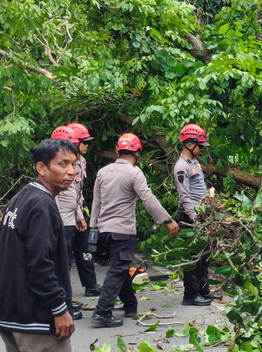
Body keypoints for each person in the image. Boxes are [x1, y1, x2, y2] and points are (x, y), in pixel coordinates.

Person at [0, 138, 77, 352]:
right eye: (63, 164)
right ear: (41, 168)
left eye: (74, 164)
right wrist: (59, 309)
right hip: (35, 320)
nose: (72, 171)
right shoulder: (42, 205)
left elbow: (6, 256)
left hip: (11, 315)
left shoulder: (21, 197)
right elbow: (40, 264)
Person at [90, 133, 180, 328]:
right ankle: (102, 312)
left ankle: (130, 305)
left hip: (104, 230)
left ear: (117, 151)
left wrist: (93, 229)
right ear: (137, 153)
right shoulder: (134, 173)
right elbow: (148, 199)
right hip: (122, 231)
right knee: (117, 269)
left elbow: (96, 202)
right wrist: (168, 220)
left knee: (119, 268)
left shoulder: (103, 172)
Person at [173, 124, 222, 306]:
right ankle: (191, 295)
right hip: (190, 215)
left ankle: (204, 290)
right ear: (189, 144)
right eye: (200, 145)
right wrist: (194, 219)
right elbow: (184, 195)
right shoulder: (181, 167)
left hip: (202, 214)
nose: (202, 149)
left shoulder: (194, 163)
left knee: (205, 256)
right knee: (193, 258)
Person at [52, 125, 101, 300]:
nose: (87, 146)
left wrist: (80, 216)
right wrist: (55, 216)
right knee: (63, 258)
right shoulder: (56, 165)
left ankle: (91, 285)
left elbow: (76, 192)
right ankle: (62, 299)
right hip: (62, 217)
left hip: (75, 212)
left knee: (84, 250)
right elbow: (54, 193)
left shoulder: (80, 162)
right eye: (84, 142)